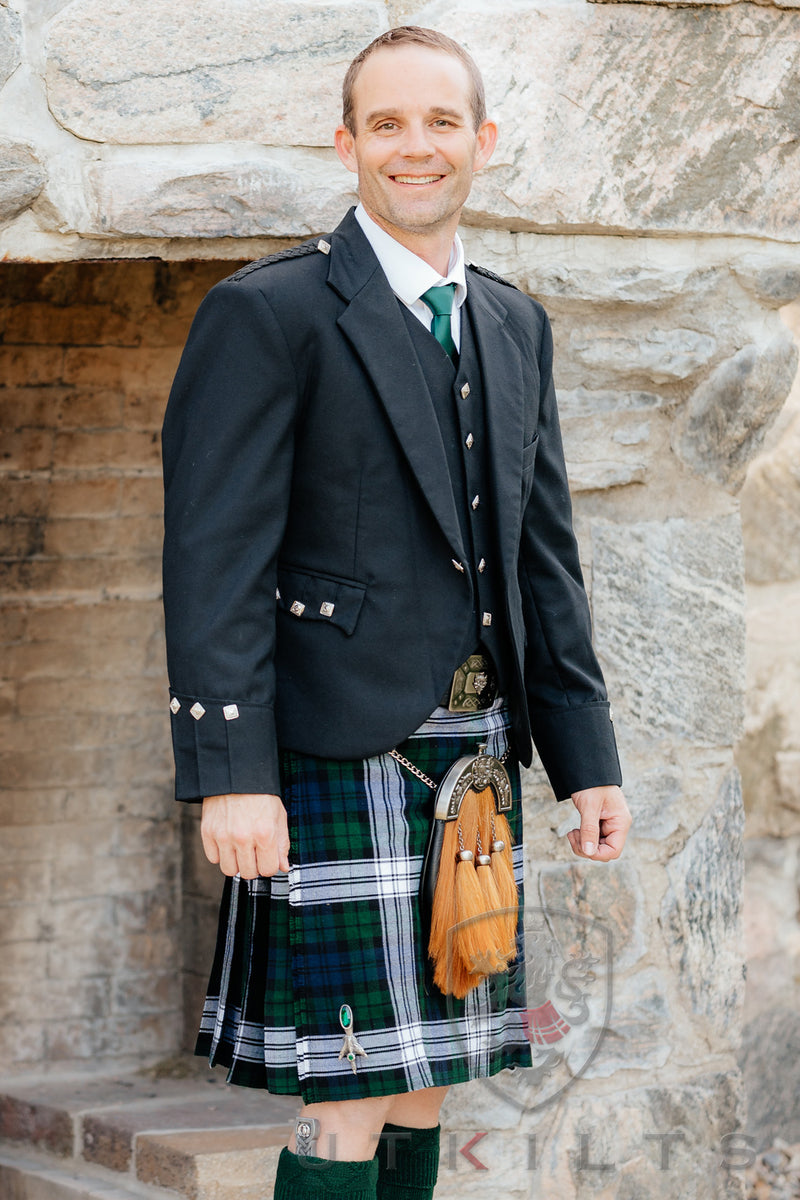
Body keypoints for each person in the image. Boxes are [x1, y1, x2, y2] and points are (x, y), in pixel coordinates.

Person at [161, 25, 631, 1200]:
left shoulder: (512, 323)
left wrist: (586, 764)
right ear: (345, 142)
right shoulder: (270, 313)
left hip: (472, 761)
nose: (411, 148)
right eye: (384, 123)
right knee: (354, 1083)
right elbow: (212, 558)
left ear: (480, 142)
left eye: (436, 123)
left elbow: (543, 561)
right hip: (335, 743)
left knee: (430, 1074)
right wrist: (231, 769)